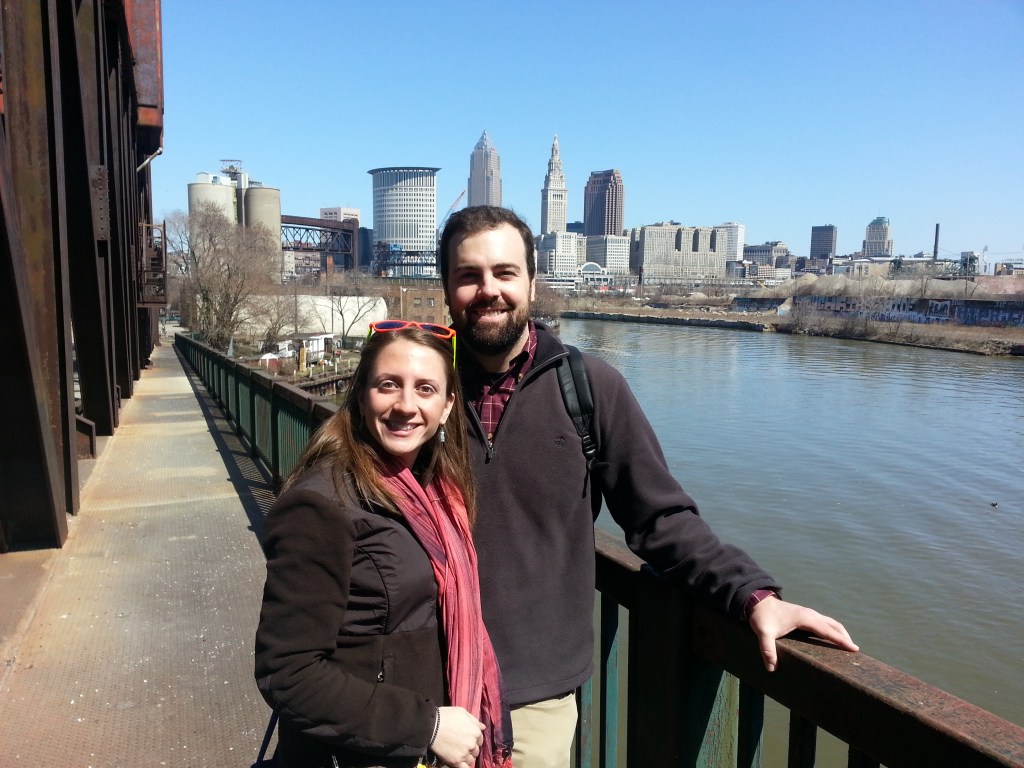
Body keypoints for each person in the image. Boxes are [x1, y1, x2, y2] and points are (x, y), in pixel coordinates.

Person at [436, 206, 859, 768]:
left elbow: (659, 518)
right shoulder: (414, 390)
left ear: (533, 284)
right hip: (418, 682)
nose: (489, 290)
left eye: (505, 272)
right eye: (469, 275)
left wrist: (752, 595)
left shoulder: (587, 388)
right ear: (447, 289)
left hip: (532, 695)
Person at [255, 321, 512, 768]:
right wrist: (426, 726)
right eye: (388, 385)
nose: (406, 405)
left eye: (426, 389)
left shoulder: (434, 492)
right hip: (359, 754)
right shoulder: (321, 504)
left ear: (448, 407)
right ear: (361, 395)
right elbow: (287, 673)